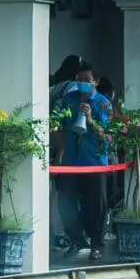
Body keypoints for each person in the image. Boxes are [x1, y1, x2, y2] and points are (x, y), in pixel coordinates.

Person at [51, 59, 113, 257]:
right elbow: (61, 130)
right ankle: (77, 239)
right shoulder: (70, 99)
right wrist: (59, 155)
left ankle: (97, 245)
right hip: (71, 160)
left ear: (95, 82)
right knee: (64, 202)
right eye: (79, 79)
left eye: (87, 79)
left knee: (97, 205)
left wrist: (90, 121)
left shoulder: (103, 103)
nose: (82, 82)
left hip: (94, 161)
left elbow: (108, 136)